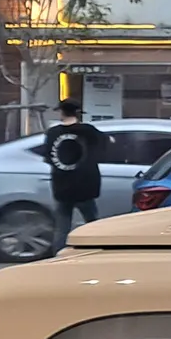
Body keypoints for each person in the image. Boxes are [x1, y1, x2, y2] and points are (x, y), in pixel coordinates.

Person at [42, 99, 106, 253]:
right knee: (92, 223)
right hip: (85, 186)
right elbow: (104, 145)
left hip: (62, 187)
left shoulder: (52, 133)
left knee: (62, 227)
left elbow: (48, 156)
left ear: (61, 112)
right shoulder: (88, 131)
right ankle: (96, 251)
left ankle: (58, 255)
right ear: (78, 113)